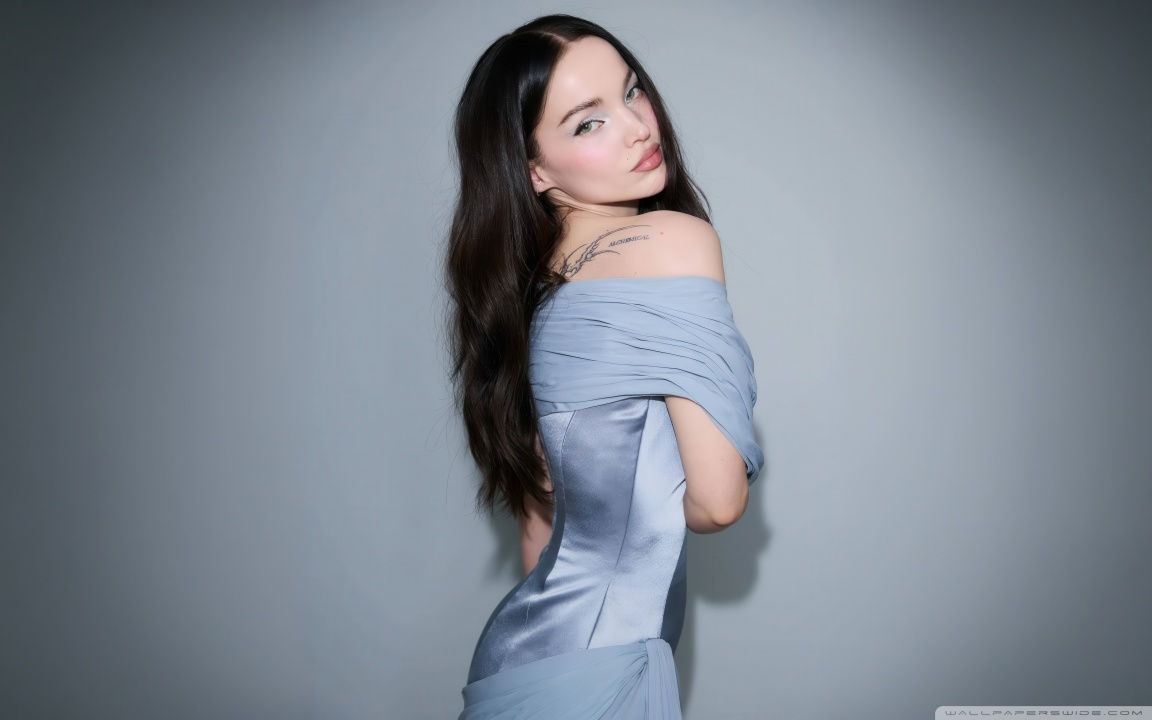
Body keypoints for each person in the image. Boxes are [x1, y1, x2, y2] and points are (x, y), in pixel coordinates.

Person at [445, 14, 763, 719]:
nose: (638, 127)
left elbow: (540, 530)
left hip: (524, 658)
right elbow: (718, 502)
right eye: (588, 123)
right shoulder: (672, 240)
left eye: (631, 91)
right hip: (598, 668)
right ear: (533, 169)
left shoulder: (529, 292)